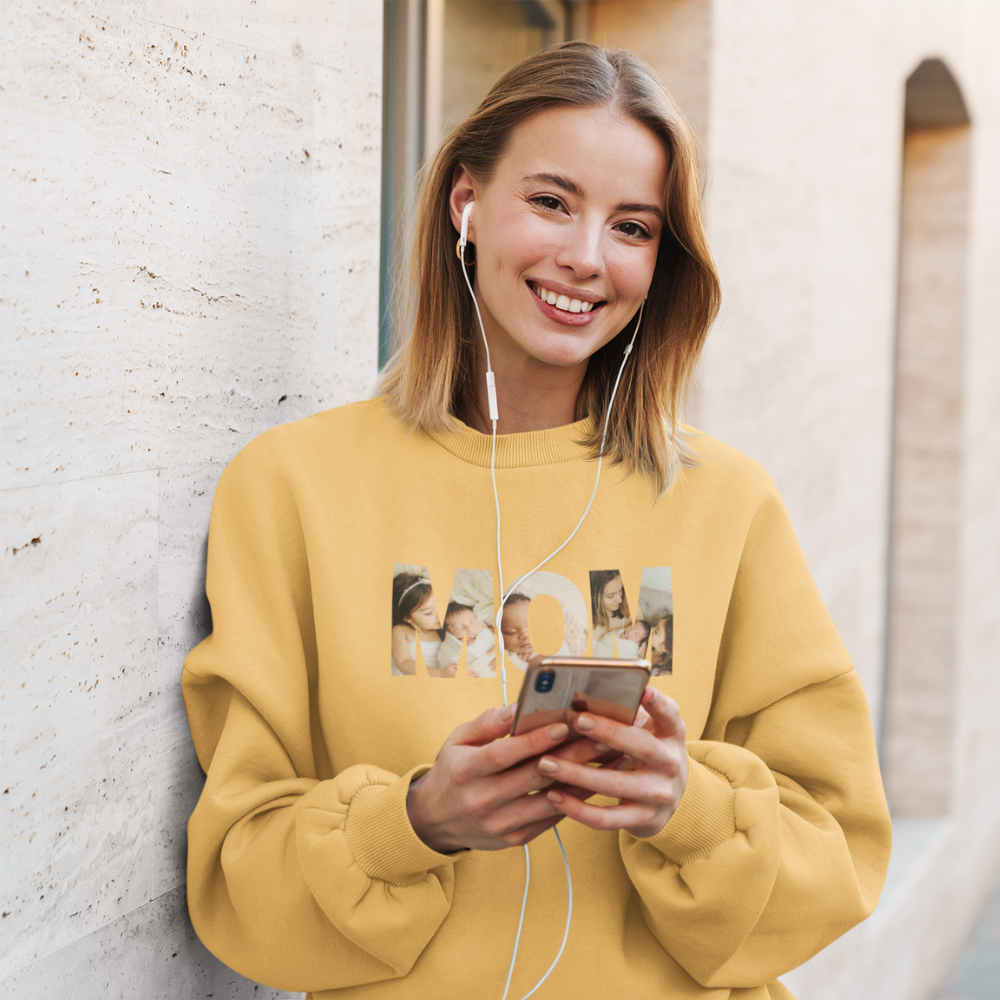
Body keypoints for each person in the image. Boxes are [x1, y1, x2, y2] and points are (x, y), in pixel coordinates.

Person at [182, 41, 891, 1000]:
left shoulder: (727, 503)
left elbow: (840, 855)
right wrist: (420, 819)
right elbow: (236, 879)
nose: (586, 258)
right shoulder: (290, 488)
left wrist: (685, 807)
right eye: (552, 201)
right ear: (465, 203)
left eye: (633, 226)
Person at [390, 572, 444, 676]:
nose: (439, 616)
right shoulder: (401, 630)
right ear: (407, 617)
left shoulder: (443, 628)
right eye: (428, 613)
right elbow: (404, 663)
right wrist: (440, 673)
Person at [438, 602, 497, 678]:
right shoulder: (447, 647)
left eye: (473, 622)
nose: (469, 628)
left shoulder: (487, 634)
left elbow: (502, 646)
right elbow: (446, 662)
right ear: (448, 631)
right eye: (458, 627)